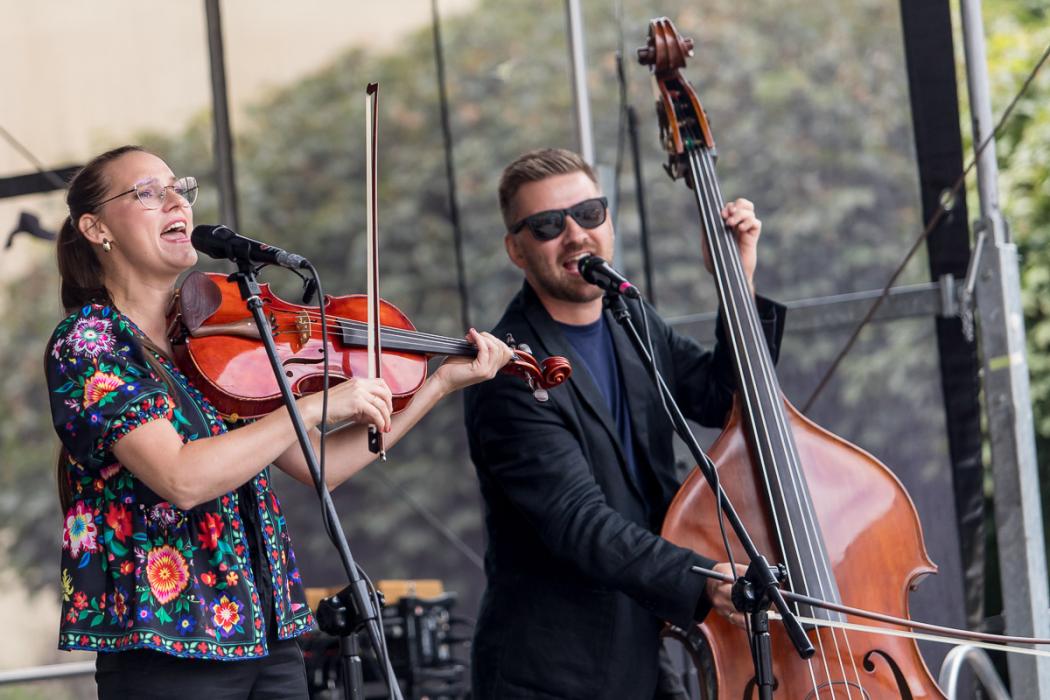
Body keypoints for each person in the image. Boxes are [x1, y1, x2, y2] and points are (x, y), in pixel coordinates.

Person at [45, 145, 513, 699]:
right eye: (148, 192)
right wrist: (311, 407)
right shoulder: (90, 342)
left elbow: (322, 466)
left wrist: (438, 385)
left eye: (180, 188)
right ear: (97, 228)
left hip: (269, 633)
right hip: (166, 642)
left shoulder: (211, 332)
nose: (176, 202)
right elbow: (180, 478)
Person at [464, 148, 785, 699]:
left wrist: (737, 279)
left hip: (636, 650)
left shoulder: (628, 316)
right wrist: (704, 579)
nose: (575, 235)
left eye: (588, 214)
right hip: (552, 674)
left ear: (608, 221)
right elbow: (578, 522)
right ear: (516, 249)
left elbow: (722, 399)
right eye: (547, 225)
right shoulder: (511, 370)